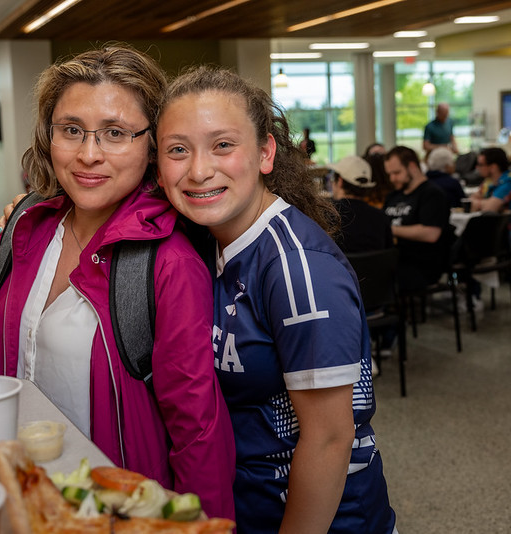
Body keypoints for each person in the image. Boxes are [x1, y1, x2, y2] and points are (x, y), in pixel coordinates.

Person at [0, 45, 236, 521]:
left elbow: (197, 427)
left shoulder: (167, 263)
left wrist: (203, 527)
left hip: (114, 512)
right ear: (49, 137)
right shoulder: (29, 225)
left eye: (116, 133)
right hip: (30, 495)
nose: (89, 155)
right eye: (71, 131)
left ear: (152, 144)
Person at [155, 66, 396, 533]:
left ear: (266, 153)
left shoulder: (297, 266)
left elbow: (329, 438)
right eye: (178, 150)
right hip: (246, 503)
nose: (199, 169)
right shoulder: (208, 238)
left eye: (223, 144)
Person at [383, 146, 451, 294]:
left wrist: (388, 229)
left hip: (420, 264)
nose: (392, 179)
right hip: (393, 259)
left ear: (412, 167)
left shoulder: (432, 194)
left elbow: (431, 233)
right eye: (390, 174)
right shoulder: (393, 196)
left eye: (396, 173)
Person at [329, 155, 393, 253]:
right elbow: (388, 252)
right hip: (374, 268)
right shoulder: (381, 217)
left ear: (340, 181)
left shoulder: (327, 215)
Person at [469, 147, 511, 213]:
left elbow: (489, 209)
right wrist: (485, 203)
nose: (477, 167)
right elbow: (471, 200)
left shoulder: (508, 182)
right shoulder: (488, 181)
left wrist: (479, 204)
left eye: (480, 164)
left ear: (493, 167)